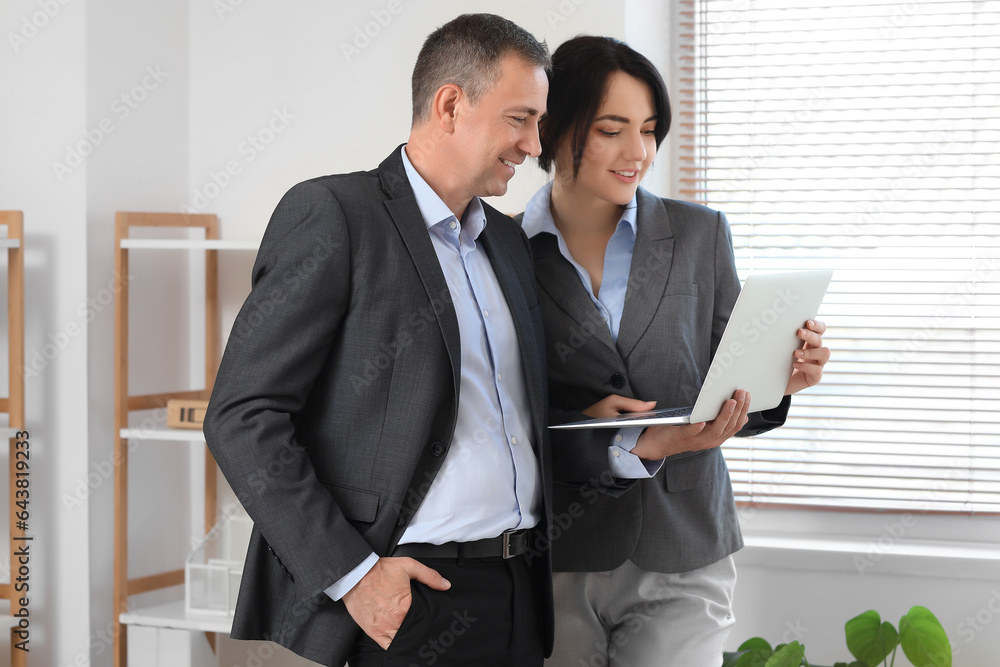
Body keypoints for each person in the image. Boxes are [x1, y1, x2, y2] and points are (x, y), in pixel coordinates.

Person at [203, 14, 560, 667]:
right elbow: (241, 415)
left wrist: (647, 440)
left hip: (516, 594)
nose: (535, 144)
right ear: (450, 104)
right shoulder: (336, 217)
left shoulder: (508, 244)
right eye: (520, 118)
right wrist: (355, 575)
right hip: (399, 601)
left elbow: (516, 415)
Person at [518, 36, 830, 666]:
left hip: (684, 547)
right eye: (612, 129)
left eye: (650, 130)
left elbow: (732, 381)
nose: (638, 153)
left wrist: (780, 380)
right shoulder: (501, 251)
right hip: (553, 550)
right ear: (553, 129)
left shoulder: (698, 234)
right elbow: (493, 410)